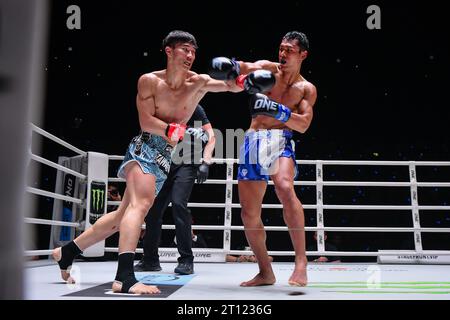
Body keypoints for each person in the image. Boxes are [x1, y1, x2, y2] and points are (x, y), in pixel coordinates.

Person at [50, 30, 272, 294]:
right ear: (169, 51)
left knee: (121, 217)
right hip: (143, 149)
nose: (190, 55)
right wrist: (173, 131)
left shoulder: (198, 82)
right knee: (140, 207)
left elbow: (228, 86)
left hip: (166, 157)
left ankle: (66, 252)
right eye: (184, 49)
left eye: (193, 51)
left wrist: (245, 80)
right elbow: (146, 122)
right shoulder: (149, 82)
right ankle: (125, 277)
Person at [209, 31, 317, 287]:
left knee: (284, 187)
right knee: (249, 214)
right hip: (253, 140)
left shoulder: (306, 89)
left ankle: (301, 262)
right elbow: (243, 68)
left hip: (280, 140)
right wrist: (233, 69)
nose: (283, 54)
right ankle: (265, 271)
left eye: (289, 50)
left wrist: (276, 109)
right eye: (281, 48)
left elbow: (303, 125)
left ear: (303, 54)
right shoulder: (267, 70)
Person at [134, 104, 215, 275]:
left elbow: (211, 137)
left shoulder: (195, 107)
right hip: (163, 162)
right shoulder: (161, 106)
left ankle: (186, 260)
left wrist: (206, 162)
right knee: (153, 210)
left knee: (179, 204)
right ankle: (150, 260)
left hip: (186, 163)